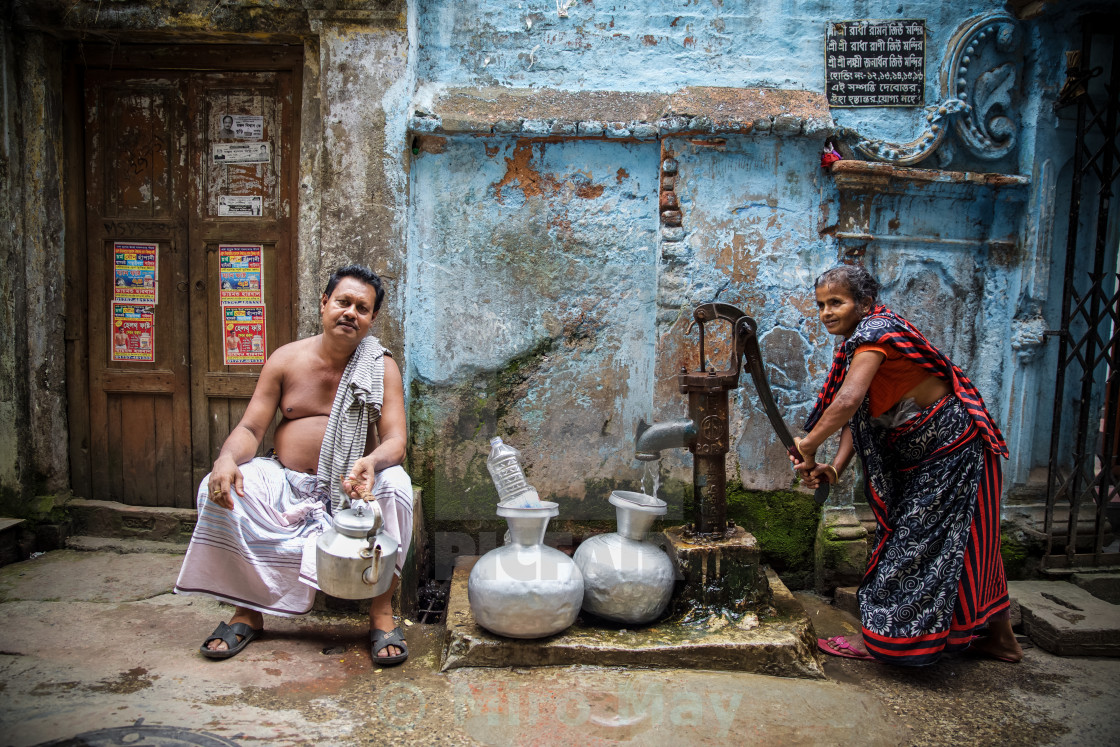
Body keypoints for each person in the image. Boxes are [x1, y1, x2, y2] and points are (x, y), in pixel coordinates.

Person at [175, 264, 413, 665]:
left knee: (397, 486)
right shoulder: (286, 359)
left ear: (371, 319)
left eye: (362, 308)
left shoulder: (380, 366)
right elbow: (251, 428)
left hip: (353, 484)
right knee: (219, 487)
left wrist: (372, 461)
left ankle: (381, 613)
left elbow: (396, 441)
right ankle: (247, 611)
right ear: (324, 304)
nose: (351, 312)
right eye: (343, 302)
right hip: (287, 479)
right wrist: (227, 459)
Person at [793, 264, 1022, 666]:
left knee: (907, 544)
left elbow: (846, 402)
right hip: (941, 451)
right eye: (821, 305)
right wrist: (836, 466)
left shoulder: (873, 335)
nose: (827, 312)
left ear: (864, 304)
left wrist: (808, 445)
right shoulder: (862, 341)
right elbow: (861, 416)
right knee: (973, 546)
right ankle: (1001, 640)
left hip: (953, 447)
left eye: (837, 302)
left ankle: (880, 640)